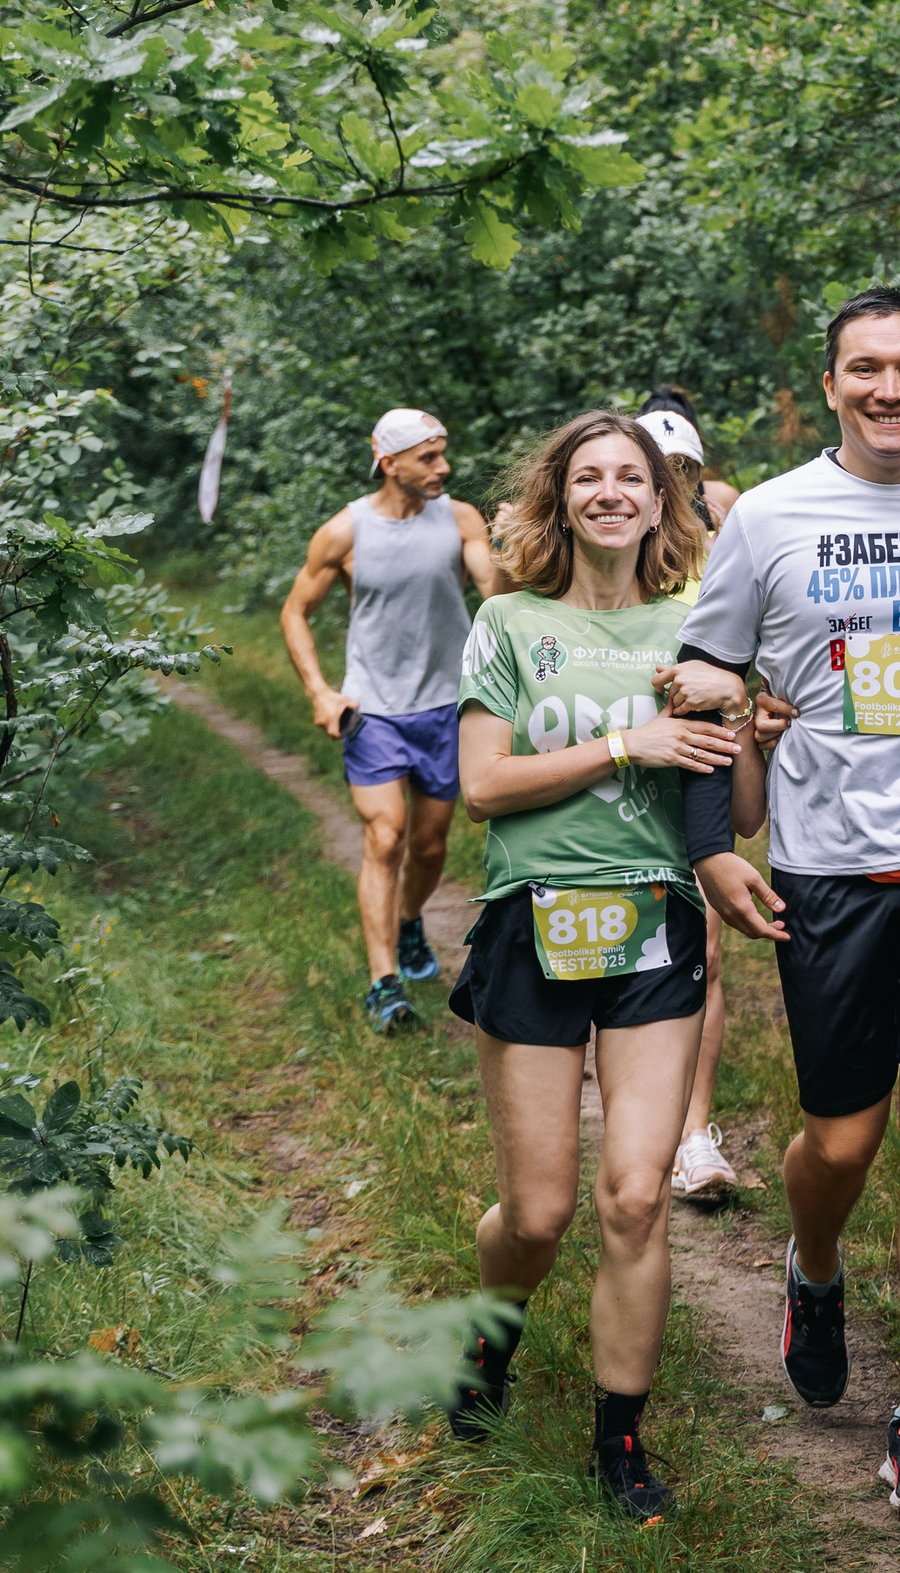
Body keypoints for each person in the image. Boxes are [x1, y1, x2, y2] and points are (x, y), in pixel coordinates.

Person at [659, 287, 900, 1516]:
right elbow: (704, 682)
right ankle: (812, 1262)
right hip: (827, 871)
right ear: (828, 386)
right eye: (865, 369)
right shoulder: (768, 518)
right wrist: (710, 848)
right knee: (841, 1141)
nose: (890, 389)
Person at [441, 410, 744, 1522]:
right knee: (538, 1214)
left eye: (632, 477)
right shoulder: (510, 621)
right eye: (588, 477)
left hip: (656, 925)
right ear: (559, 500)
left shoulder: (698, 626)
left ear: (664, 500)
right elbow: (483, 785)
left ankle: (619, 1442)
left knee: (634, 1197)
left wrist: (742, 717)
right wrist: (625, 742)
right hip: (533, 922)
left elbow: (739, 806)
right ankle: (492, 1336)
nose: (611, 492)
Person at [281, 408, 507, 1033]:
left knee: (430, 845)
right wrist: (320, 691)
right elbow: (295, 612)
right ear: (389, 462)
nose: (444, 467)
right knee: (386, 838)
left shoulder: (460, 519)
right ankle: (383, 984)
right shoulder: (344, 533)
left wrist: (512, 552)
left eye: (443, 453)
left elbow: (497, 594)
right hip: (373, 709)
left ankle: (410, 921)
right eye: (429, 457)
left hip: (447, 706)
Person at [635, 390, 749, 1206]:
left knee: (703, 950)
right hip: (622, 761)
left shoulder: (726, 519)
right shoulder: (607, 534)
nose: (675, 483)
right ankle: (632, 1114)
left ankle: (694, 1134)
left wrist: (751, 699)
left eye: (687, 469)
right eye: (660, 469)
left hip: (701, 756)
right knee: (628, 947)